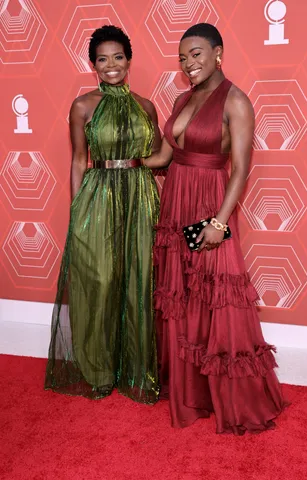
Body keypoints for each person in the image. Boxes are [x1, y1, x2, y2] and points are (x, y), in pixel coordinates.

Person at [144, 23, 288, 433]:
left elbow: (241, 170)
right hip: (177, 201)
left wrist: (219, 223)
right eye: (183, 57)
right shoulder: (182, 97)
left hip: (210, 206)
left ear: (218, 52)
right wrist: (122, 164)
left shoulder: (236, 101)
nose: (190, 63)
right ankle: (190, 393)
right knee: (183, 293)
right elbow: (165, 156)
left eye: (197, 53)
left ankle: (234, 399)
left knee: (217, 292)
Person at [45, 25, 161, 404]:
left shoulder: (147, 106)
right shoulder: (82, 105)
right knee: (100, 282)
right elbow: (79, 159)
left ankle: (136, 368)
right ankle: (98, 370)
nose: (111, 66)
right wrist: (79, 208)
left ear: (129, 60)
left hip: (140, 196)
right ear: (92, 64)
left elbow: (159, 155)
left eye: (118, 57)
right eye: (102, 59)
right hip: (98, 195)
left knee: (139, 281)